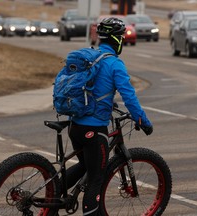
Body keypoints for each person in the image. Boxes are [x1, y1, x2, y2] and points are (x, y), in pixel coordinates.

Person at [65, 17, 153, 216]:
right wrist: (143, 121)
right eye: (121, 36)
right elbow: (129, 97)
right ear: (117, 40)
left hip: (75, 126)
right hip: (94, 130)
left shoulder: (91, 58)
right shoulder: (115, 64)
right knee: (97, 178)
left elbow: (91, 90)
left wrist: (107, 102)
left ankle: (52, 197)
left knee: (85, 165)